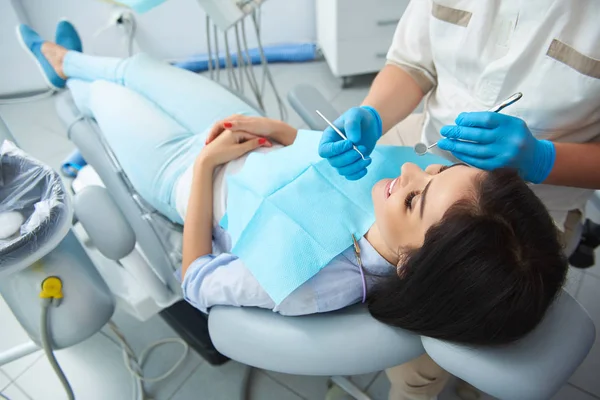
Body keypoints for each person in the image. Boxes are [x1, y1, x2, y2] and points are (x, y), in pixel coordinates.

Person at [19, 22, 567, 400]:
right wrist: (282, 132)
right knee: (137, 67)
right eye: (439, 169)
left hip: (184, 174)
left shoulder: (312, 283)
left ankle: (63, 71)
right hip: (252, 135)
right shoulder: (404, 201)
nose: (411, 171)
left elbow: (196, 279)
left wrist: (208, 166)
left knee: (105, 99)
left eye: (417, 195)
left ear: (410, 266)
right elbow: (319, 165)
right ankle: (67, 61)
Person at [318, 2, 600, 397]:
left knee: (453, 346)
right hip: (428, 149)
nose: (404, 174)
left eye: (415, 195)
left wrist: (542, 159)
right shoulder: (419, 171)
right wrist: (374, 114)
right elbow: (414, 63)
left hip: (534, 211)